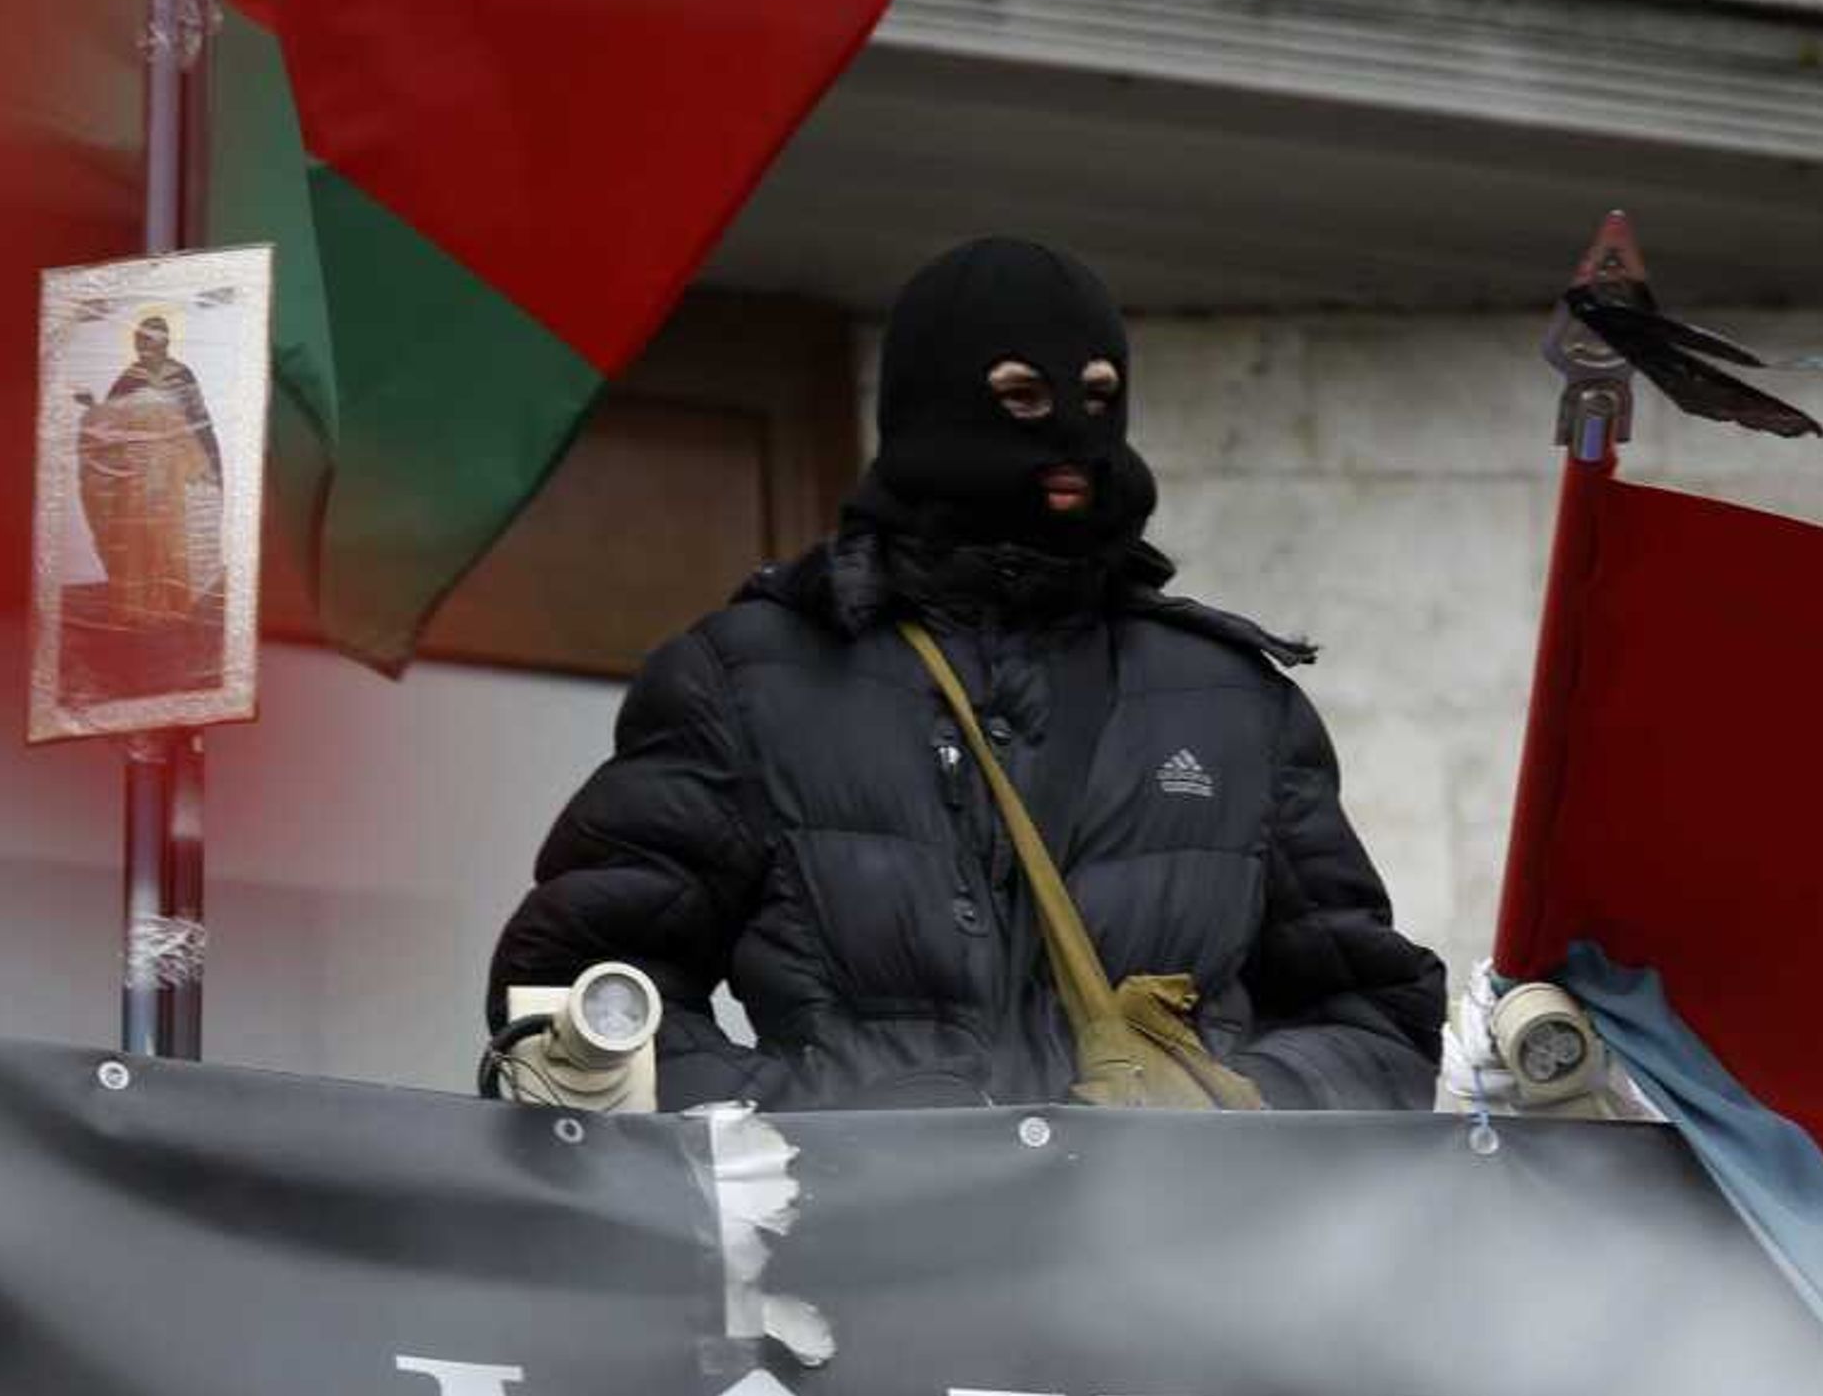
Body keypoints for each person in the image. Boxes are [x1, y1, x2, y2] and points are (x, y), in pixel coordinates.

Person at [487, 237, 1444, 1111]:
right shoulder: (752, 679)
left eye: (1100, 399)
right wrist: (808, 1137)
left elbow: (1378, 1018)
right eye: (1023, 397)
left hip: (1168, 1283)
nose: (1069, 433)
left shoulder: (1236, 704)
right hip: (855, 1280)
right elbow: (577, 989)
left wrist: (1233, 1105)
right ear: (935, 403)